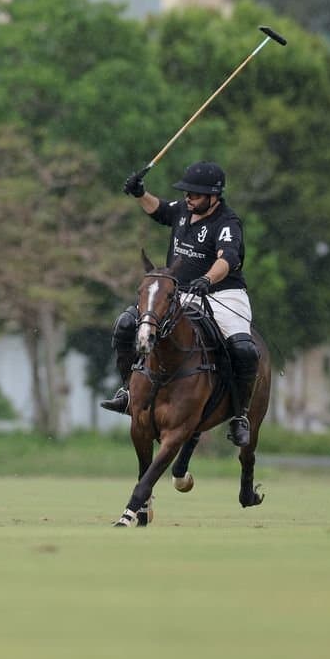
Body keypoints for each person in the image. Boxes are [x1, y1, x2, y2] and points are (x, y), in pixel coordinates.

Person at [100, 161, 260, 447]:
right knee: (127, 324)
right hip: (178, 292)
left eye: (196, 194)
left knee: (243, 349)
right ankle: (128, 391)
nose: (189, 198)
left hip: (221, 293)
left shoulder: (227, 222)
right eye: (187, 192)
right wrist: (139, 193)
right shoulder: (184, 211)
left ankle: (239, 415)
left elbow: (228, 258)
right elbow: (160, 210)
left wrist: (208, 279)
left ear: (214, 196)